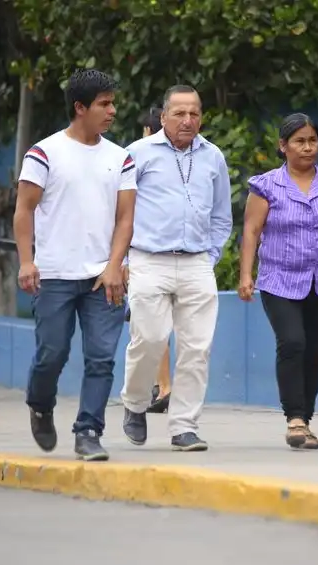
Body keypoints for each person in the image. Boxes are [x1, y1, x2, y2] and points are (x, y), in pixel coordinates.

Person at [15, 69, 136, 462]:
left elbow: (125, 219)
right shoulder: (44, 153)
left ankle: (88, 430)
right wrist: (26, 261)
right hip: (53, 275)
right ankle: (40, 404)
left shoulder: (121, 157)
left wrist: (115, 265)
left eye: (112, 102)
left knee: (101, 357)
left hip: (103, 277)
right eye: (104, 104)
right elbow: (24, 210)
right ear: (79, 107)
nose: (112, 111)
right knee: (52, 352)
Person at [238, 113, 318, 450]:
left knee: (313, 352)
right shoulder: (265, 186)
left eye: (312, 140)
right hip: (278, 279)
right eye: (299, 141)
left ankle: (304, 420)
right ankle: (294, 417)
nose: (307, 147)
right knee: (292, 342)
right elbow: (251, 232)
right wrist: (246, 274)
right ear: (283, 146)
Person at [120, 85, 233, 452]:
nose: (188, 121)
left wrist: (210, 256)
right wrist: (120, 261)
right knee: (149, 340)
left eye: (195, 114)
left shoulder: (213, 156)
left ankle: (184, 426)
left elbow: (222, 215)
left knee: (197, 349)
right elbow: (116, 212)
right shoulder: (137, 154)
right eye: (180, 113)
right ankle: (135, 404)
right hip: (148, 260)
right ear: (163, 115)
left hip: (197, 262)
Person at [122, 106, 174, 414]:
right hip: (170, 258)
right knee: (154, 326)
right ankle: (159, 386)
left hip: (143, 258)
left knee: (148, 328)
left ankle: (162, 386)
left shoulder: (137, 164)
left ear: (147, 131)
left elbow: (126, 218)